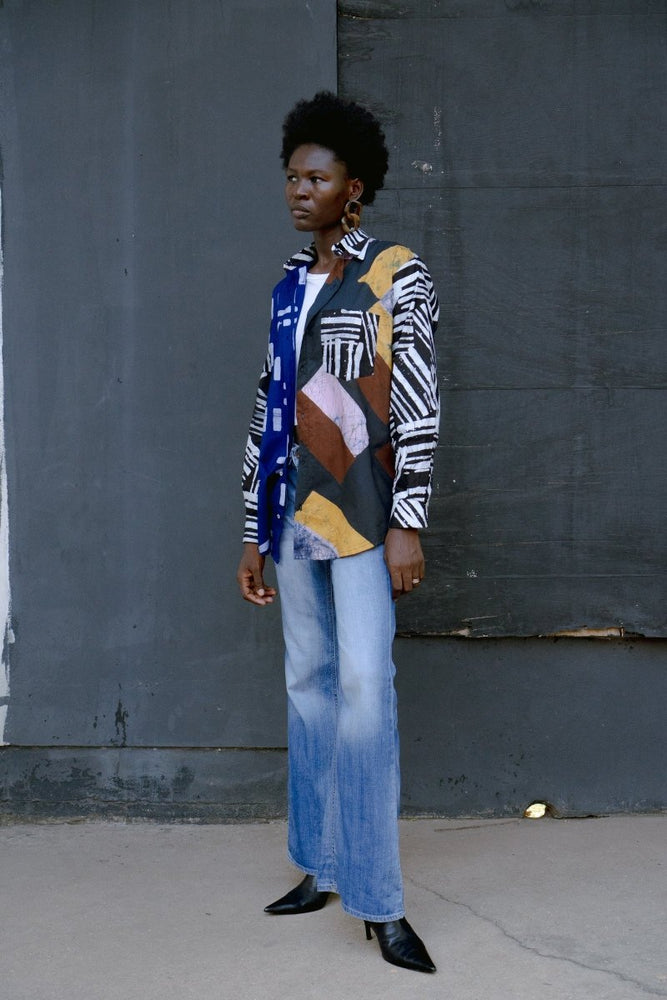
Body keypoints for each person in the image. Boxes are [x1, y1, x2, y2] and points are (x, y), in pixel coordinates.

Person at [236, 91, 439, 974]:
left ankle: (379, 901)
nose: (298, 190)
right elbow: (267, 412)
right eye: (291, 176)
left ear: (353, 187)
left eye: (315, 178)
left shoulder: (396, 273)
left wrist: (408, 522)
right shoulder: (289, 286)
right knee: (307, 684)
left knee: (364, 691)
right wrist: (253, 525)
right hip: (291, 516)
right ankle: (317, 865)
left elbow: (419, 402)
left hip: (362, 516)